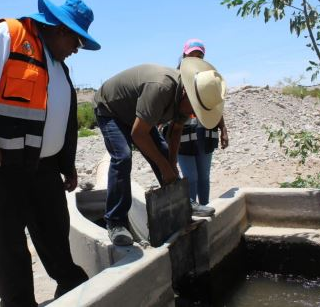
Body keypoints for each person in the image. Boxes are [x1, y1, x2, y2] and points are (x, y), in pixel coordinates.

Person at [0, 0, 100, 307]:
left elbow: (63, 118)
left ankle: (71, 287)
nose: (77, 48)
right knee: (7, 244)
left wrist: (67, 163)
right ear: (61, 29)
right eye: (77, 40)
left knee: (54, 232)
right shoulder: (8, 34)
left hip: (43, 167)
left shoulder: (60, 67)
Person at [94, 58, 226, 246]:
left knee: (163, 154)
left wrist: (171, 164)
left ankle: (183, 202)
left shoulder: (186, 99)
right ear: (186, 94)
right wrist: (165, 169)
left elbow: (175, 132)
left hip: (137, 113)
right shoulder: (160, 88)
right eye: (195, 109)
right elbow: (139, 135)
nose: (194, 114)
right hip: (110, 109)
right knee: (122, 157)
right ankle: (115, 222)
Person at [176, 39, 229, 216]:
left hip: (205, 133)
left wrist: (224, 130)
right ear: (185, 55)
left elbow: (215, 106)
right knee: (190, 178)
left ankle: (204, 207)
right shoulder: (175, 78)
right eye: (193, 54)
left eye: (200, 55)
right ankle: (191, 211)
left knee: (204, 177)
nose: (196, 57)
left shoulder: (207, 79)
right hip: (182, 136)